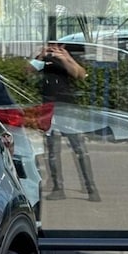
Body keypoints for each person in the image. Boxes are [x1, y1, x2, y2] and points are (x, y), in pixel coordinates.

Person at [37, 41, 101, 202]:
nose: (53, 48)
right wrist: (40, 56)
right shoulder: (43, 59)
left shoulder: (67, 57)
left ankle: (91, 188)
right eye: (51, 45)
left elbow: (80, 74)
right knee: (52, 150)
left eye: (57, 45)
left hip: (67, 107)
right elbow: (28, 70)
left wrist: (65, 58)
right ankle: (58, 188)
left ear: (63, 46)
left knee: (79, 148)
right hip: (49, 107)